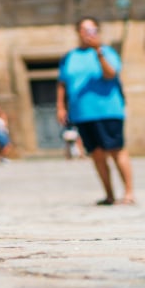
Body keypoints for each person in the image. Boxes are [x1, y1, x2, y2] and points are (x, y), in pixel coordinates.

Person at [57, 16, 134, 205]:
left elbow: (110, 74)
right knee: (97, 154)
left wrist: (98, 52)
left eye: (92, 30)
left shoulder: (107, 52)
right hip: (82, 113)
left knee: (117, 151)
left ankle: (129, 193)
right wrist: (60, 106)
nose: (88, 34)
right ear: (78, 33)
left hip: (108, 110)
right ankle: (109, 194)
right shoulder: (69, 57)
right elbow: (62, 83)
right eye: (84, 30)